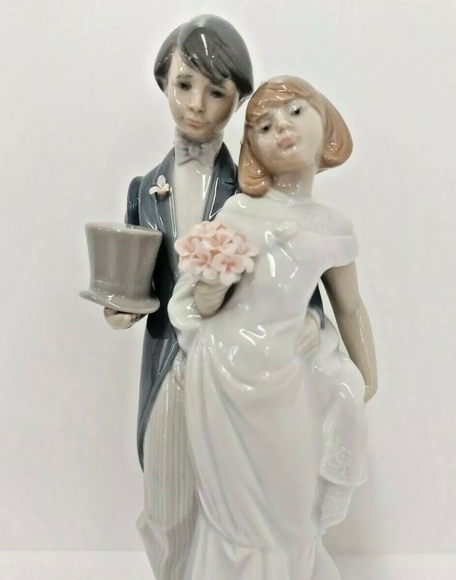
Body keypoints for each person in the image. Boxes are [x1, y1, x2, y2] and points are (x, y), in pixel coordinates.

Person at [168, 76, 378, 579]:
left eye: (296, 113)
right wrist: (212, 287)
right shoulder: (238, 212)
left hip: (288, 376)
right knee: (235, 514)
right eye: (263, 125)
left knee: (293, 502)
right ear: (252, 148)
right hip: (225, 371)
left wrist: (365, 374)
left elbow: (349, 305)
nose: (281, 128)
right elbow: (195, 300)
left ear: (326, 121)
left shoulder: (333, 225)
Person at [103, 15, 254, 580]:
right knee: (165, 501)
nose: (196, 105)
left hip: (236, 365)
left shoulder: (252, 191)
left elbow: (291, 281)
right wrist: (121, 308)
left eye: (216, 92)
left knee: (237, 503)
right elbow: (137, 281)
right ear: (164, 81)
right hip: (171, 359)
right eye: (184, 84)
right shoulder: (145, 190)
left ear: (238, 100)